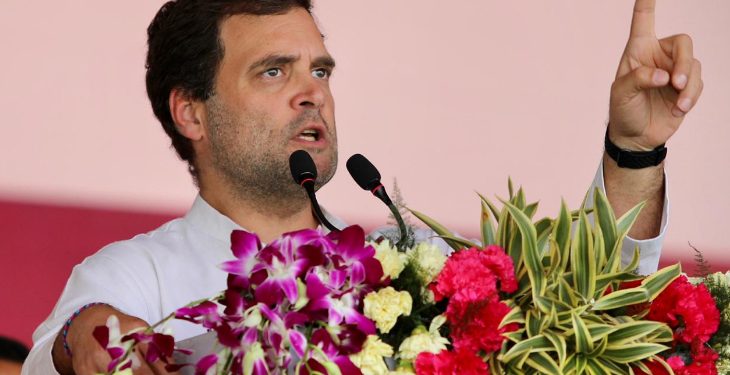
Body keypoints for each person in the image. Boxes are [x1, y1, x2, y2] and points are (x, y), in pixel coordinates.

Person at [22, 0, 702, 373]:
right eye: (273, 72)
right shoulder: (138, 273)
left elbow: (584, 316)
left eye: (320, 70)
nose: (312, 93)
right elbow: (73, 343)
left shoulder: (411, 259)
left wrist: (634, 149)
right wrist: (94, 338)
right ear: (191, 111)